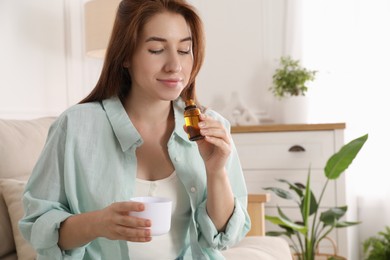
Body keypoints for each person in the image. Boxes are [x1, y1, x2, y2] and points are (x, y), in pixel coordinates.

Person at [19, 0, 250, 259]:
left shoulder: (212, 127)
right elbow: (38, 226)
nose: (175, 65)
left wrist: (216, 170)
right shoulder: (75, 127)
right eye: (156, 49)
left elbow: (222, 237)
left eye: (184, 49)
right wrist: (98, 223)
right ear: (126, 55)